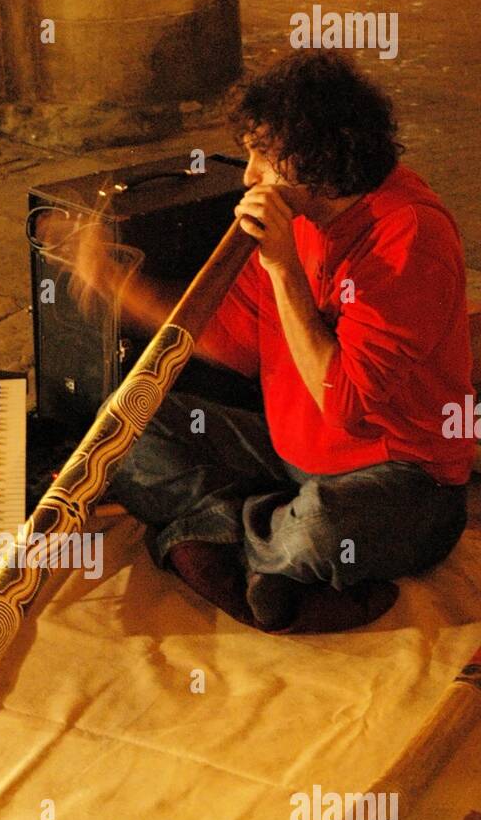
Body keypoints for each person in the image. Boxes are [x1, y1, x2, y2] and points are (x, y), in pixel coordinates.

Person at [57, 52, 475, 633]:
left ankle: (217, 535)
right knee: (124, 427)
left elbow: (347, 405)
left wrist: (282, 268)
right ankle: (259, 550)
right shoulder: (298, 219)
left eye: (263, 154)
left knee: (323, 531)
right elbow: (235, 339)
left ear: (316, 157)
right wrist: (117, 285)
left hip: (401, 479)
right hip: (292, 459)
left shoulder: (407, 237)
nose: (249, 174)